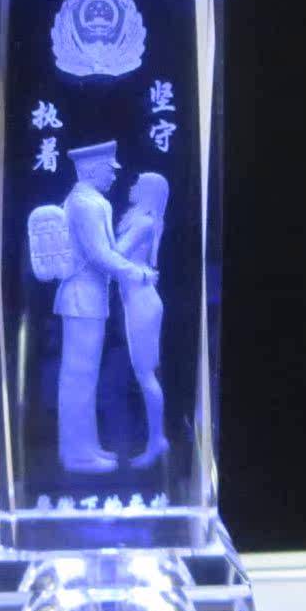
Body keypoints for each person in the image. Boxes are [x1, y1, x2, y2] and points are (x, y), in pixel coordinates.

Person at [54, 141, 158, 473]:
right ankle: (76, 453)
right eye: (108, 170)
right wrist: (136, 272)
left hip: (89, 297)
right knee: (78, 376)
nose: (114, 176)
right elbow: (100, 256)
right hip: (81, 297)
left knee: (84, 375)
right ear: (90, 170)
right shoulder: (86, 204)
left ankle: (85, 447)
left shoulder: (90, 201)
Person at [116, 172, 170, 468]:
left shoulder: (143, 223)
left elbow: (116, 254)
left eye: (138, 183)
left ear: (148, 191)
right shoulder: (141, 220)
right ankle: (156, 439)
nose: (132, 186)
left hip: (142, 302)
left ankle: (157, 440)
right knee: (144, 374)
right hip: (137, 300)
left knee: (146, 374)